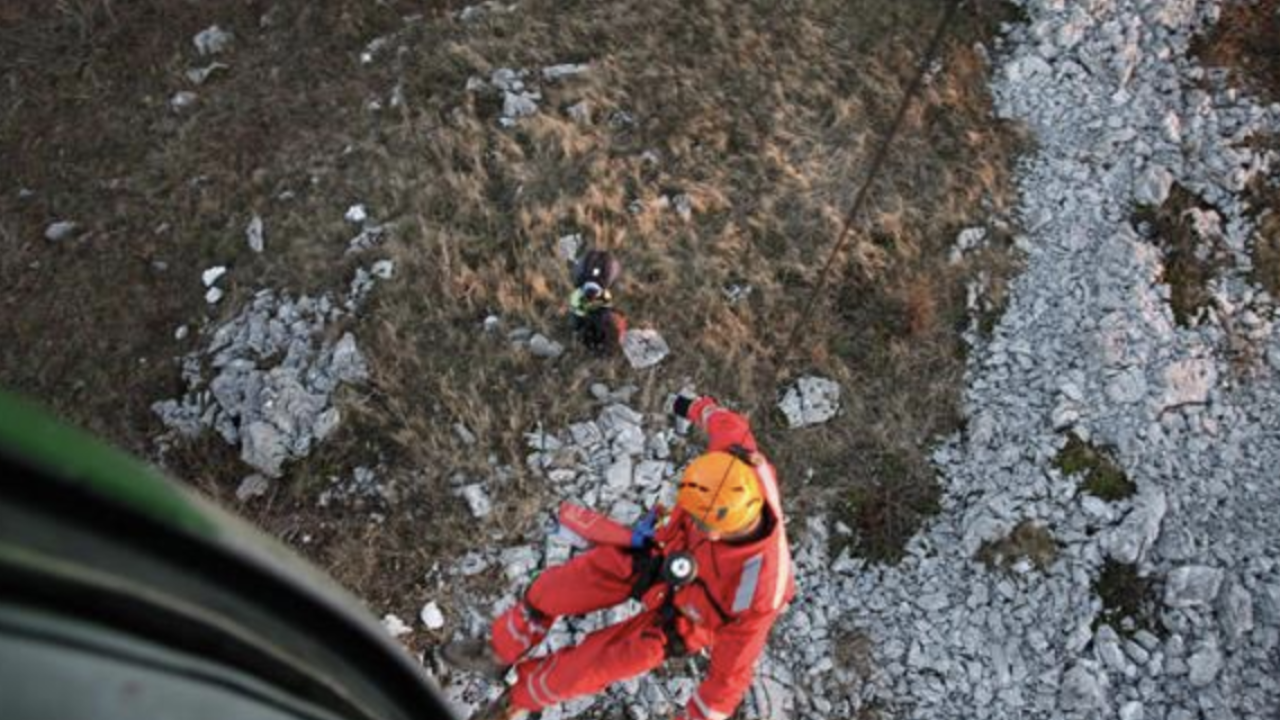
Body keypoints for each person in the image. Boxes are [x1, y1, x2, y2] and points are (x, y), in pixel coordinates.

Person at [443, 394, 795, 720]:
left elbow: (728, 679)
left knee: (586, 668)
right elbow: (726, 422)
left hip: (685, 619)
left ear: (715, 532)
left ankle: (516, 701)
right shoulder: (736, 464)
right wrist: (692, 405)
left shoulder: (757, 594)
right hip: (661, 558)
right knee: (552, 589)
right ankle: (497, 653)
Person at [568, 250, 626, 354]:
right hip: (602, 262)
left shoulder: (576, 297)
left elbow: (576, 319)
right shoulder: (605, 296)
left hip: (591, 260)